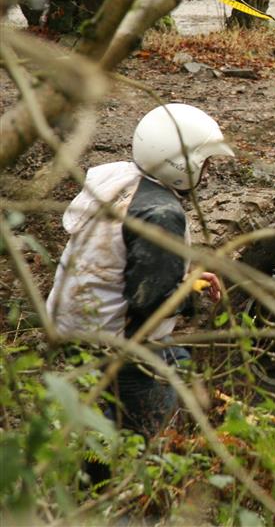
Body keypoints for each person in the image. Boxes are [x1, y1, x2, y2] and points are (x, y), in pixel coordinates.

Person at [46, 103, 233, 478]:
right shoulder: (161, 214)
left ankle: (96, 462)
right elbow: (150, 303)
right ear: (182, 164)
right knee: (150, 426)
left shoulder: (119, 180)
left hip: (75, 321)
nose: (209, 170)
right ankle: (112, 488)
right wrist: (190, 295)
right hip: (112, 340)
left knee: (176, 363)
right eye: (206, 162)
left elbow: (124, 260)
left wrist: (184, 277)